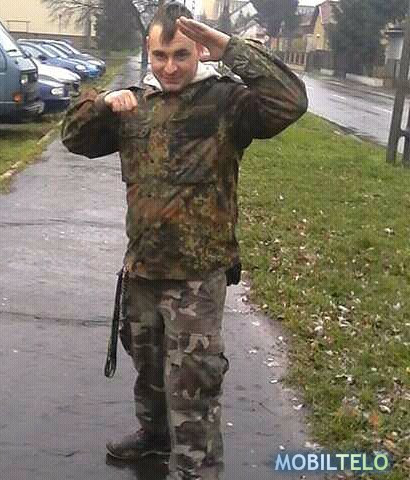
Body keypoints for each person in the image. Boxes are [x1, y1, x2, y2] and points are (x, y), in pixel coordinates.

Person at [61, 3, 307, 479]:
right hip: (142, 269)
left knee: (194, 379)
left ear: (199, 52)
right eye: (160, 56)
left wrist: (230, 48)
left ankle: (197, 468)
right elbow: (73, 137)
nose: (169, 67)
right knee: (148, 365)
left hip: (197, 277)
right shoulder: (134, 105)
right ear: (147, 51)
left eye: (180, 55)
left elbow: (290, 101)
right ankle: (154, 436)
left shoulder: (226, 103)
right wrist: (102, 103)